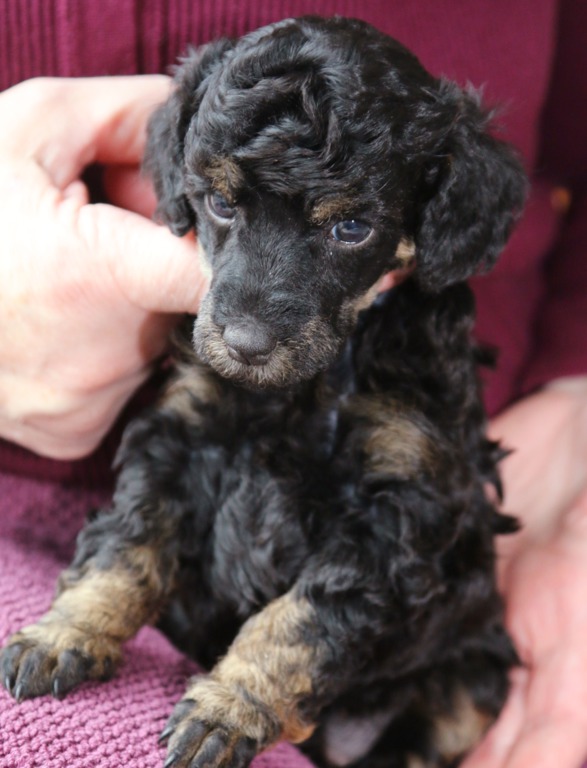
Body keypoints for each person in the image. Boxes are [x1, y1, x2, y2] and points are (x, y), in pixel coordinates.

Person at [0, 2, 585, 767]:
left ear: (432, 208)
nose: (246, 330)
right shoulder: (208, 334)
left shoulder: (416, 378)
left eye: (347, 228)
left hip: (406, 676)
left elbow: (390, 550)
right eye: (223, 204)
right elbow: (162, 472)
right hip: (39, 525)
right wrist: (91, 616)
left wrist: (573, 398)